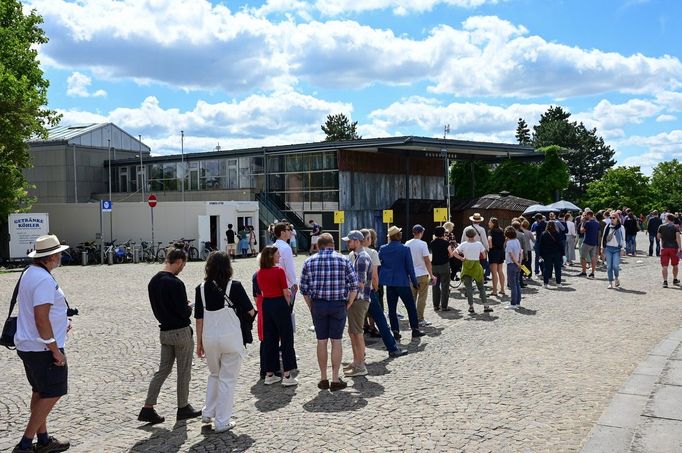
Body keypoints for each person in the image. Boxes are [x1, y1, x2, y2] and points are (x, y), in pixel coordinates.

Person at [13, 235, 72, 453]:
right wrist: (54, 349)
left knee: (40, 391)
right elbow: (41, 317)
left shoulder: (30, 272)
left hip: (29, 344)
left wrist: (62, 322)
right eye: (59, 254)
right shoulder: (44, 280)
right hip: (43, 348)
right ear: (52, 256)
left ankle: (44, 439)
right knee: (53, 392)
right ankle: (26, 443)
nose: (60, 257)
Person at [138, 249, 202, 425]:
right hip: (180, 332)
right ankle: (183, 407)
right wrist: (189, 307)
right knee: (184, 371)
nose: (183, 268)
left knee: (163, 370)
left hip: (164, 331)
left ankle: (148, 407)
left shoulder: (153, 281)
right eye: (184, 265)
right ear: (179, 261)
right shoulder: (176, 283)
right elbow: (183, 312)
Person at [194, 252, 255, 432]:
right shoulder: (234, 287)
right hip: (231, 337)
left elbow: (199, 318)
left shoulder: (201, 288)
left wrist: (199, 343)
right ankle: (222, 421)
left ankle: (208, 412)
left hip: (209, 337)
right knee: (227, 379)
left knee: (214, 374)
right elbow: (251, 311)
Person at [300, 233, 359, 391]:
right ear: (332, 244)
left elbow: (303, 289)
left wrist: (310, 305)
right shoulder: (343, 259)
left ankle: (323, 378)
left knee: (321, 341)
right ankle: (335, 378)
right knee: (336, 341)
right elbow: (354, 286)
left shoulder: (309, 261)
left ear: (318, 246)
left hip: (318, 304)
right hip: (338, 304)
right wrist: (349, 303)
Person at [360, 229, 408, 358]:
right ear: (367, 239)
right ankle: (392, 348)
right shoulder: (372, 252)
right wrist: (375, 288)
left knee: (357, 324)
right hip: (369, 290)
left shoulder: (353, 254)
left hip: (357, 291)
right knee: (381, 320)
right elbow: (375, 275)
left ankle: (359, 352)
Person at [256, 246, 298, 386]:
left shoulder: (259, 273)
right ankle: (287, 375)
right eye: (277, 254)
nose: (279, 256)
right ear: (271, 256)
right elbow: (286, 291)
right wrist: (287, 306)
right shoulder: (279, 270)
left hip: (266, 304)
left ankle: (269, 373)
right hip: (279, 303)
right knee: (286, 339)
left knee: (270, 339)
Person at [379, 226, 426, 340]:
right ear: (399, 236)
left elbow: (380, 264)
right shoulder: (404, 249)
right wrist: (415, 282)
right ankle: (415, 329)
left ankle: (395, 331)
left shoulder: (383, 249)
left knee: (392, 309)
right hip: (403, 282)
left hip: (390, 283)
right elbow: (409, 267)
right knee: (410, 307)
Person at [343, 230, 372, 377]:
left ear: (357, 241)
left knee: (357, 332)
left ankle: (360, 365)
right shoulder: (357, 256)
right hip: (358, 299)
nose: (348, 243)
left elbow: (360, 283)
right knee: (353, 332)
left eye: (350, 241)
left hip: (359, 299)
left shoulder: (361, 258)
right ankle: (357, 361)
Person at [455, 227, 490, 314]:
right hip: (476, 265)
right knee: (481, 287)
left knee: (469, 288)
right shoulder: (479, 244)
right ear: (474, 235)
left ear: (466, 235)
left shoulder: (463, 244)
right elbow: (484, 255)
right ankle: (485, 305)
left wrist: (462, 258)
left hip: (466, 265)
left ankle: (471, 306)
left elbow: (454, 253)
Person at [405, 224, 434, 326]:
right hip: (422, 273)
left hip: (411, 275)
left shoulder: (407, 243)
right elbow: (427, 260)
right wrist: (431, 274)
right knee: (422, 298)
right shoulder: (423, 244)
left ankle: (412, 319)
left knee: (412, 298)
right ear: (421, 233)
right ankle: (420, 318)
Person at [273, 222, 298, 327]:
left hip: (275, 283)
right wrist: (294, 283)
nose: (291, 232)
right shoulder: (286, 248)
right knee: (287, 311)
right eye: (289, 230)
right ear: (282, 232)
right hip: (286, 285)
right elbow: (289, 269)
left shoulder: (273, 246)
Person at [430, 226, 454, 311]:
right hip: (444, 265)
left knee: (435, 286)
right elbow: (451, 254)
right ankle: (444, 306)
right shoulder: (446, 243)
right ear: (443, 233)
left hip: (434, 266)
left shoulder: (432, 242)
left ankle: (435, 305)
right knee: (445, 286)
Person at [462, 213, 489, 280]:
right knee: (479, 268)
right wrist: (487, 250)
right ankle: (479, 282)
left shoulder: (466, 229)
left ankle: (470, 281)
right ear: (479, 221)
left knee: (469, 267)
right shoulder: (482, 229)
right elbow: (485, 242)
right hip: (478, 250)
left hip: (467, 250)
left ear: (472, 220)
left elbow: (462, 240)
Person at [658, 213, 682, 288]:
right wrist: (680, 247)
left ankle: (665, 281)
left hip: (664, 248)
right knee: (675, 264)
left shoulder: (661, 226)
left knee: (664, 266)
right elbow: (678, 237)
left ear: (668, 218)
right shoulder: (675, 227)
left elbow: (658, 237)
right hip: (674, 248)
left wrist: (663, 237)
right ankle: (675, 279)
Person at [602, 213, 625, 289]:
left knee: (615, 266)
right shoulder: (607, 226)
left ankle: (616, 278)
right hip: (608, 248)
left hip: (617, 249)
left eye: (613, 218)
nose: (612, 219)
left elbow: (623, 239)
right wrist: (603, 247)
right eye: (611, 218)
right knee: (609, 267)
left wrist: (622, 249)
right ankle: (610, 282)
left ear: (617, 219)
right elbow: (604, 237)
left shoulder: (621, 227)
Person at [538, 221, 563, 288]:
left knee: (546, 269)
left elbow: (541, 245)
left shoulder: (544, 234)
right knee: (557, 268)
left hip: (547, 254)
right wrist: (562, 253)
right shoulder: (557, 233)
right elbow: (561, 244)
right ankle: (558, 283)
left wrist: (540, 254)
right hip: (556, 253)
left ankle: (545, 283)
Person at [504, 226, 523, 309]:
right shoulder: (517, 241)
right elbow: (520, 252)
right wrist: (519, 263)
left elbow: (511, 255)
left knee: (513, 285)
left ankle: (513, 303)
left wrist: (516, 262)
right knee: (517, 283)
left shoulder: (509, 243)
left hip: (511, 264)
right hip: (518, 263)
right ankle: (518, 302)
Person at [487, 217, 506, 297]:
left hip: (493, 252)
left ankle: (494, 290)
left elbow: (490, 242)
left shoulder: (491, 232)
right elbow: (505, 240)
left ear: (493, 223)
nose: (488, 223)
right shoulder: (502, 231)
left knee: (494, 272)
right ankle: (502, 289)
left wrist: (489, 247)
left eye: (490, 222)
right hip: (501, 251)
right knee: (500, 271)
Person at [579, 209, 600, 278]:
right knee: (593, 258)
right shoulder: (597, 223)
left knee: (583, 257)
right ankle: (592, 273)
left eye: (586, 215)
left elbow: (581, 231)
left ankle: (584, 272)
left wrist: (582, 223)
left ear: (589, 215)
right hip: (594, 243)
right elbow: (599, 234)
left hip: (587, 242)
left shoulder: (587, 223)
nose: (585, 216)